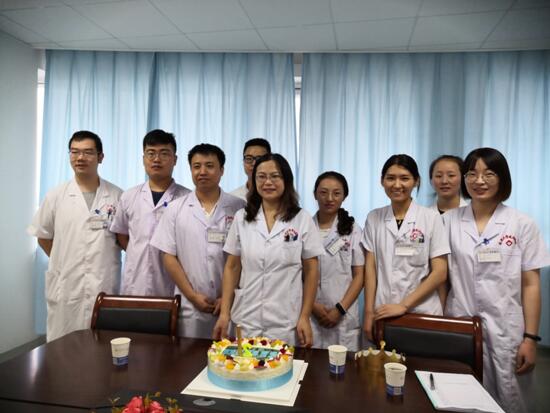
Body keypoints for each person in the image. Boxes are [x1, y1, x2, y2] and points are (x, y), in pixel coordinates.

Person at [442, 147, 550, 413]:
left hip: (506, 328)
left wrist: (530, 338)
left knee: (509, 398)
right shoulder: (448, 222)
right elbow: (441, 278)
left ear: (502, 178)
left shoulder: (521, 223)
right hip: (460, 322)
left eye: (489, 174)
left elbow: (531, 284)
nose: (479, 181)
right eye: (472, 174)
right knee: (458, 396)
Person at [213, 153, 324, 346]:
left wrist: (305, 316)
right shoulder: (242, 217)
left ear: (286, 180)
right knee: (244, 363)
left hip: (285, 320)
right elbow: (232, 267)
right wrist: (224, 314)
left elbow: (312, 270)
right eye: (261, 177)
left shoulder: (301, 219)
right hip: (246, 317)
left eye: (275, 176)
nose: (268, 182)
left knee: (282, 364)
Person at [28, 131, 122, 342]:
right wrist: (64, 260)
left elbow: (124, 238)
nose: (80, 158)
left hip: (103, 283)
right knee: (63, 348)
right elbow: (43, 235)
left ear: (100, 157)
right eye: (75, 152)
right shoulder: (56, 195)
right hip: (66, 285)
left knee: (101, 346)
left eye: (88, 152)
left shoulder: (117, 196)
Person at [150, 144, 245, 339]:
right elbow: (168, 256)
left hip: (231, 305)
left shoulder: (239, 208)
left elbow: (245, 258)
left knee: (229, 356)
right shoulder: (175, 208)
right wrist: (193, 296)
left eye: (209, 166)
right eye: (196, 166)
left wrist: (227, 297)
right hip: (190, 306)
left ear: (222, 170)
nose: (202, 172)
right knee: (189, 355)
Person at [362, 154, 449, 342]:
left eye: (404, 178)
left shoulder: (431, 218)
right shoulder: (374, 218)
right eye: (390, 178)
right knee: (384, 359)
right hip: (384, 309)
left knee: (420, 360)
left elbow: (440, 272)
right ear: (382, 181)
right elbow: (370, 269)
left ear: (416, 181)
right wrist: (368, 312)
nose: (397, 184)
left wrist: (404, 305)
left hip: (422, 311)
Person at [110, 130, 190, 296]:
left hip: (174, 286)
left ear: (175, 159)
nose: (156, 159)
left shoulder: (188, 199)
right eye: (151, 153)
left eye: (164, 154)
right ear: (143, 159)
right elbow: (122, 235)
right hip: (135, 284)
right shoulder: (129, 196)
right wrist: (139, 252)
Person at [311, 172, 365, 352]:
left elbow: (360, 276)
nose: (329, 198)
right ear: (315, 194)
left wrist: (339, 309)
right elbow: (296, 274)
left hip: (343, 316)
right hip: (311, 314)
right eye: (323, 192)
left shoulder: (353, 230)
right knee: (311, 365)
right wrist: (312, 306)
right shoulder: (304, 227)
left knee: (343, 366)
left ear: (344, 196)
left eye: (336, 193)